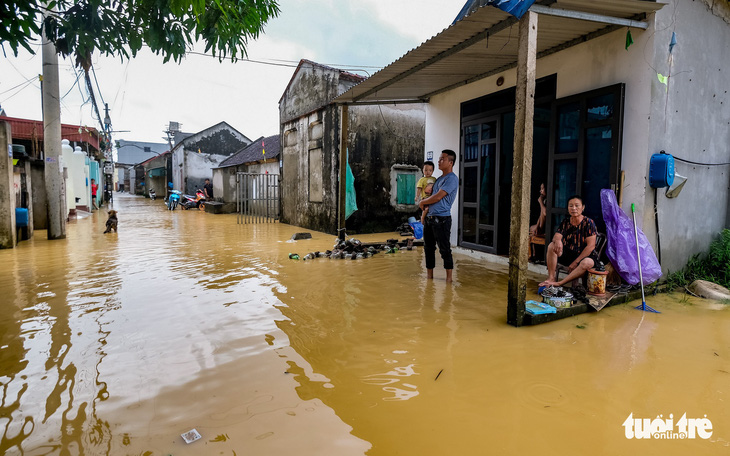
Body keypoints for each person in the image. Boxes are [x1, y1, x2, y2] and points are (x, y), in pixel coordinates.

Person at [539, 195, 600, 287]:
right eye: (570, 206)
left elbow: (591, 246)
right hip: (570, 254)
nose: (573, 208)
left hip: (584, 256)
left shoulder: (589, 223)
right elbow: (557, 235)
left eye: (577, 205)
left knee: (587, 262)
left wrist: (576, 262)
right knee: (552, 245)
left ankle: (560, 283)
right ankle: (551, 278)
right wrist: (558, 240)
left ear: (582, 207)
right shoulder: (566, 221)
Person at [419, 150, 458, 283]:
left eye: (442, 159)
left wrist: (422, 202)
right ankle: (429, 277)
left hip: (442, 219)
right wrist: (424, 214)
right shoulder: (438, 179)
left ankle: (449, 279)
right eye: (439, 159)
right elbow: (430, 196)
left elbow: (438, 197)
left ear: (450, 162)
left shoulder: (452, 178)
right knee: (428, 248)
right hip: (430, 218)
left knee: (444, 249)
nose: (439, 161)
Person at [529, 183, 547, 261]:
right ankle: (534, 254)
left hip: (548, 226)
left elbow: (545, 213)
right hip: (542, 225)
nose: (540, 191)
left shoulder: (547, 200)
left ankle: (533, 255)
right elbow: (541, 215)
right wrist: (537, 226)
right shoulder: (544, 200)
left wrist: (540, 202)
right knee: (532, 228)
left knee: (532, 231)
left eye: (542, 189)